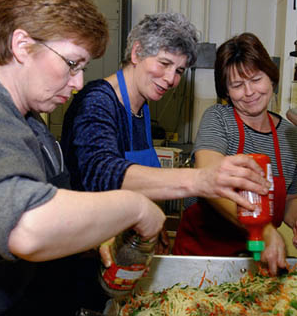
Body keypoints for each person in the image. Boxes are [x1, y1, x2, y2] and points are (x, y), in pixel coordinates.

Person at [0, 0, 167, 315]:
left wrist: (93, 232)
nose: (78, 83)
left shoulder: (31, 122)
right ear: (22, 45)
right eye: (72, 63)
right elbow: (25, 227)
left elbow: (55, 200)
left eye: (83, 69)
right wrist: (136, 207)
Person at [61, 13, 270, 254]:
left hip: (122, 246)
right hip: (84, 250)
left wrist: (153, 217)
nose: (171, 79)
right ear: (136, 53)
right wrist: (199, 180)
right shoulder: (97, 102)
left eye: (179, 70)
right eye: (164, 63)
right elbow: (102, 171)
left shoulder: (142, 107)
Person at [173, 32, 297, 276]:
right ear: (226, 92)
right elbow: (211, 180)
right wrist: (263, 228)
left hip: (255, 267)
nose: (249, 92)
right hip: (200, 264)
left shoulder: (290, 135)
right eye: (237, 85)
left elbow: (290, 200)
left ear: (271, 79)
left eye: (256, 79)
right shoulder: (218, 119)